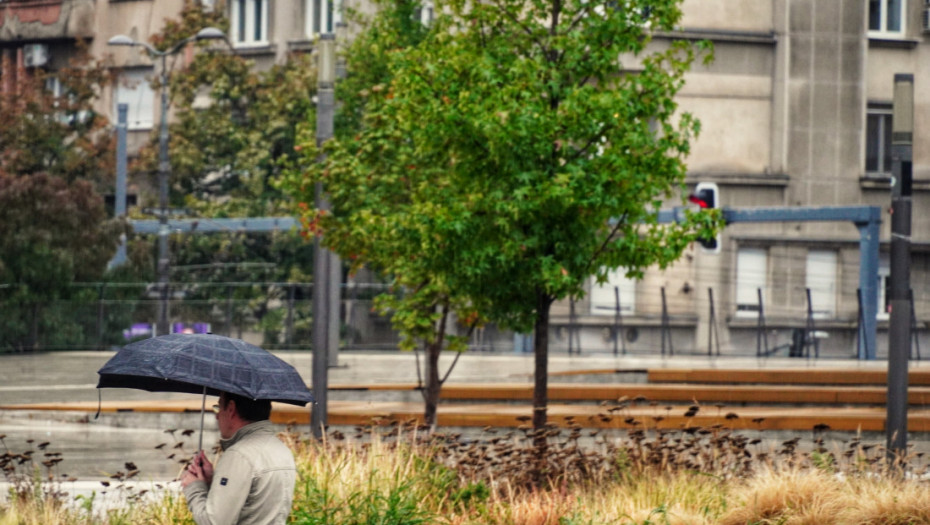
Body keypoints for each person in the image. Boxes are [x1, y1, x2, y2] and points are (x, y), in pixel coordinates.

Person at [180, 391, 297, 525]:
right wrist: (213, 482)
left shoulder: (239, 455)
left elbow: (213, 522)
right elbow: (254, 503)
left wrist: (194, 487)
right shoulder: (280, 449)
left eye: (218, 407)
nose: (217, 416)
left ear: (231, 408)